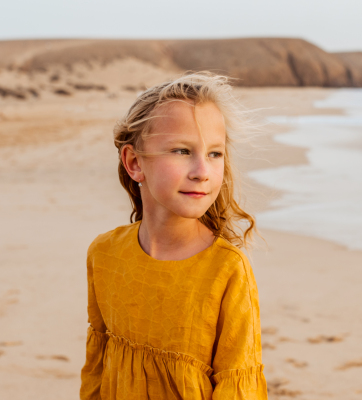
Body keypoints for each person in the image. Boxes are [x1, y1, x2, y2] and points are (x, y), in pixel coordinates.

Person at [80, 72, 268, 400]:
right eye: (182, 151)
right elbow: (98, 363)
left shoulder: (226, 269)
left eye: (214, 153)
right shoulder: (104, 253)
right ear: (134, 162)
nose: (202, 171)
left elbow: (238, 387)